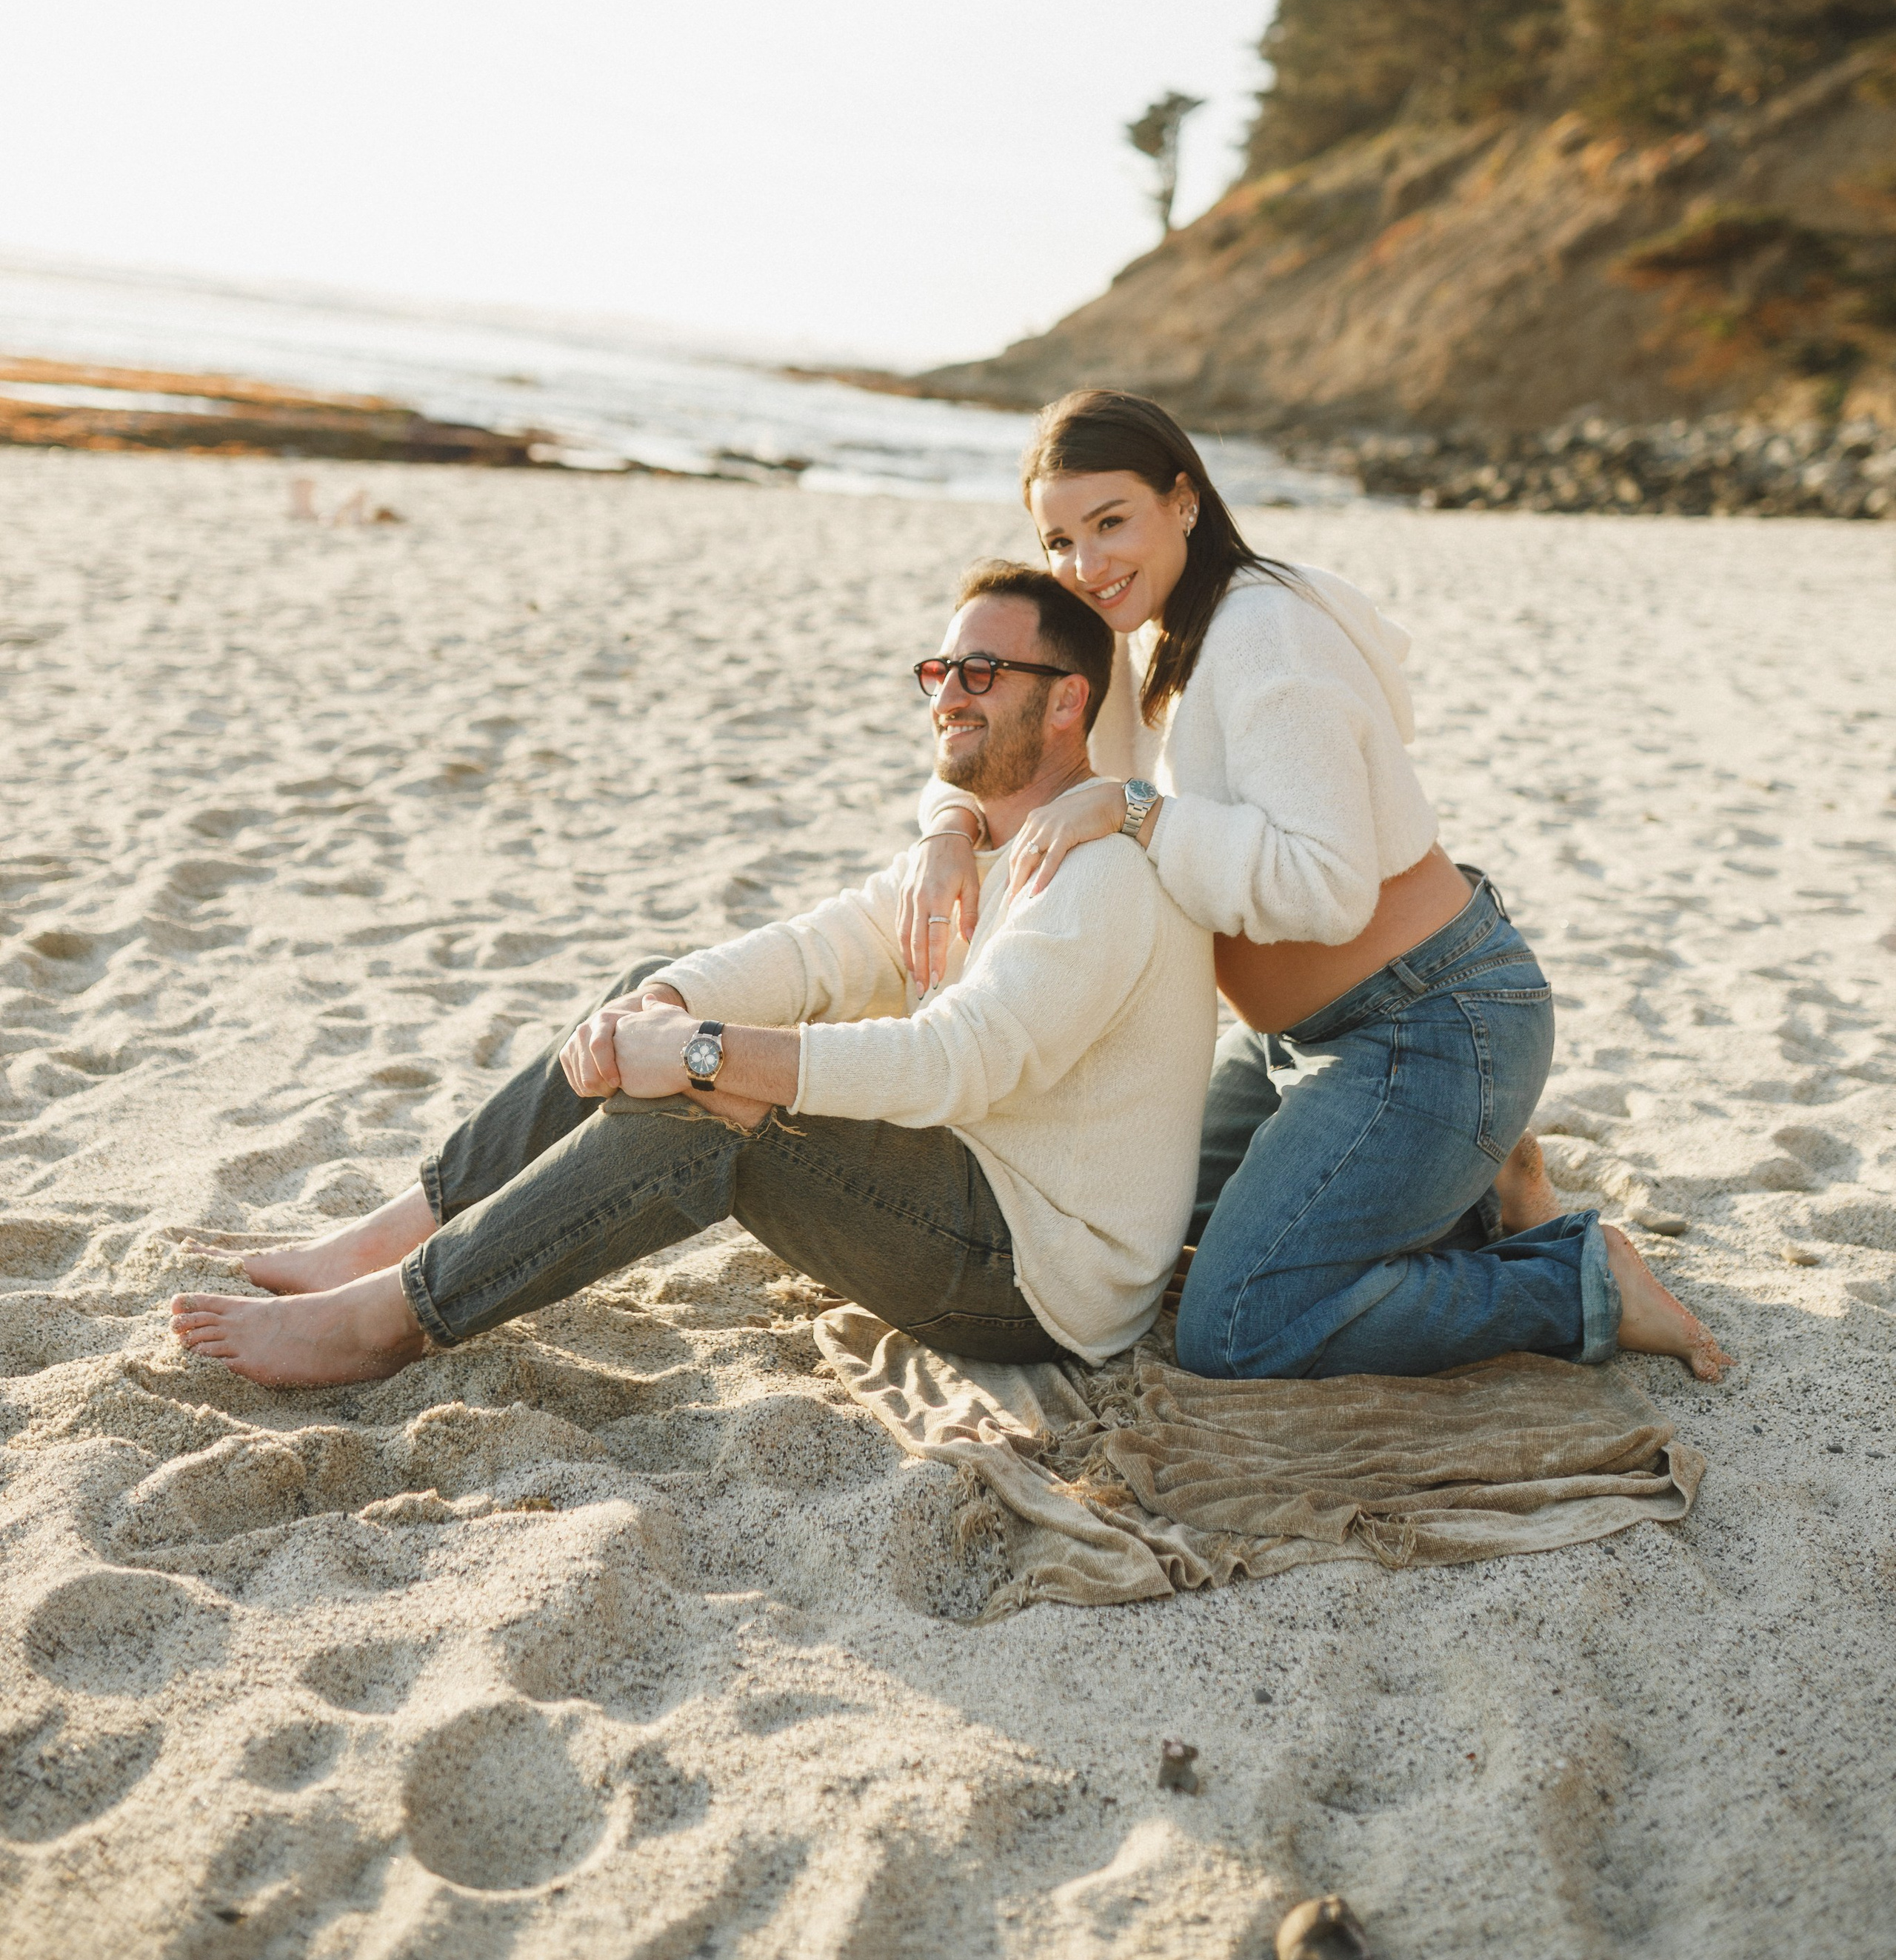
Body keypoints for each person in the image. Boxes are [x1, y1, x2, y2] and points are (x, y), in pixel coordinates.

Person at [170, 561, 1216, 1387]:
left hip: (1041, 1280)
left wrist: (703, 1055)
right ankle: (402, 1230)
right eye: (939, 673)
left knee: (707, 1109)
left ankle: (384, 1322)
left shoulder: (1104, 879)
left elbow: (957, 1064)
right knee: (659, 983)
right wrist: (667, 1008)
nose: (948, 695)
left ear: (1069, 701)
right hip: (960, 1185)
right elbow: (815, 953)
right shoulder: (968, 848)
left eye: (981, 673)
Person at [898, 389, 1729, 1386]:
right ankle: (1478, 1188)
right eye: (1061, 538)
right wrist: (949, 826)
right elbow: (1027, 750)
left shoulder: (1264, 636)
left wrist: (1141, 814)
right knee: (1145, 1224)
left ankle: (1576, 1280)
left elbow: (1326, 886)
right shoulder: (1144, 637)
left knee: (1240, 1321)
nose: (1086, 565)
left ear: (1185, 501)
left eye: (1111, 523)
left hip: (1429, 1023)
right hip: (1288, 1045)